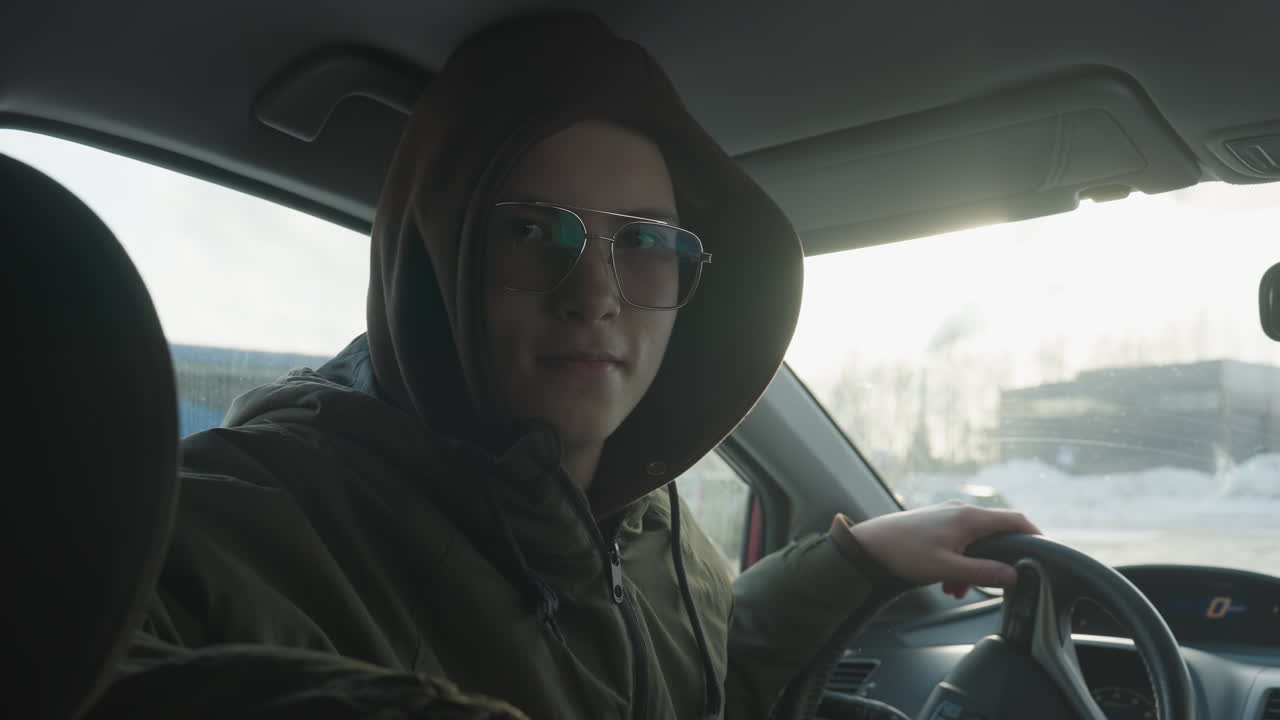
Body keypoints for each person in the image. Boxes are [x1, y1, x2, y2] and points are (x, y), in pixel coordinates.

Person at [89, 12, 1038, 720]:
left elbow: (686, 679)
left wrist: (859, 558)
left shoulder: (645, 522)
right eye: (530, 230)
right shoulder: (252, 517)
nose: (596, 294)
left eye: (648, 241)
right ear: (435, 263)